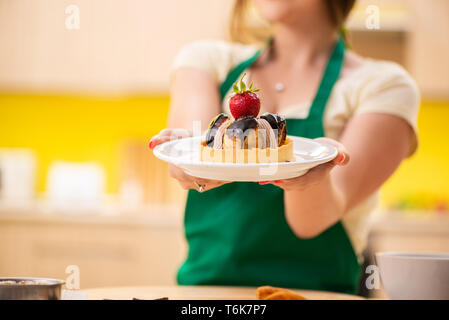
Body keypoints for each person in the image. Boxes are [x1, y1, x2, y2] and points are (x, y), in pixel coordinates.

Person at [149, 0, 420, 294]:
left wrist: (313, 171)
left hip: (314, 296)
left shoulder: (384, 86)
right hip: (206, 296)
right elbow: (195, 158)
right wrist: (186, 158)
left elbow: (310, 223)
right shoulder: (207, 61)